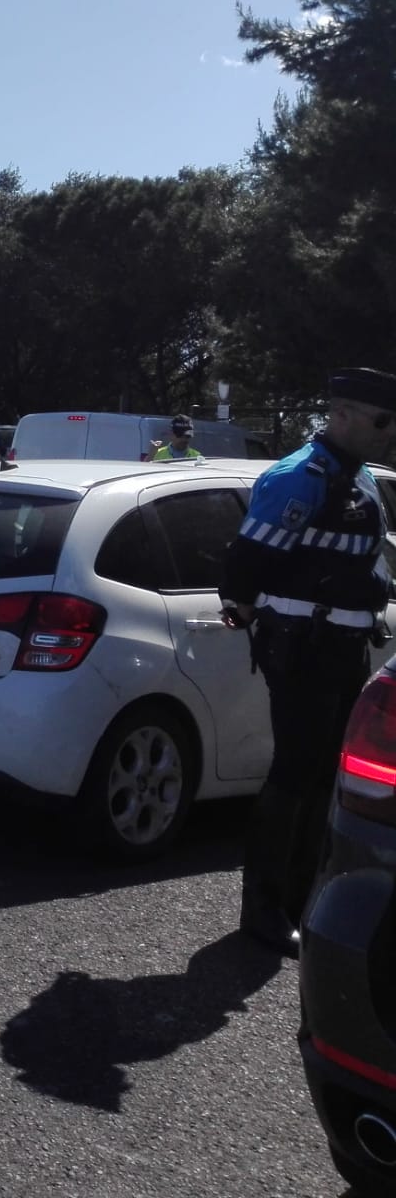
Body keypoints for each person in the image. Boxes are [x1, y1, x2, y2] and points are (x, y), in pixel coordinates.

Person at [221, 368, 396, 956]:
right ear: (343, 414)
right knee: (295, 773)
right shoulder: (303, 477)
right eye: (382, 422)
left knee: (326, 774)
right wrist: (262, 622)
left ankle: (301, 898)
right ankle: (264, 909)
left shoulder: (359, 477)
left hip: (343, 644)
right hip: (303, 643)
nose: (388, 433)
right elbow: (244, 567)